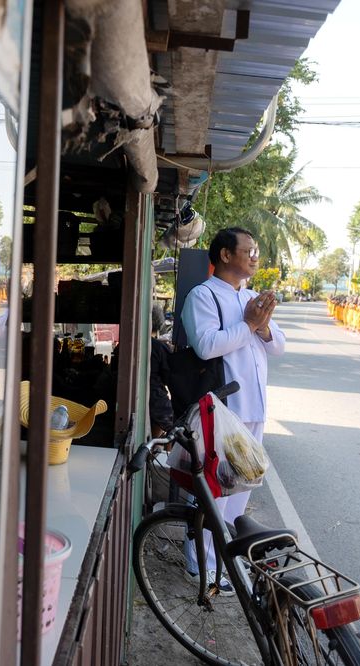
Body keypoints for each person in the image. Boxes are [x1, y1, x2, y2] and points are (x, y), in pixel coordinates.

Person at [180, 227, 286, 592]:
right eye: (249, 250)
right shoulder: (204, 295)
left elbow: (278, 347)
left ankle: (225, 559)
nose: (255, 256)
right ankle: (201, 566)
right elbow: (207, 345)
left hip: (253, 406)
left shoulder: (254, 297)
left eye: (256, 251)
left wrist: (264, 328)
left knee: (241, 489)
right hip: (223, 409)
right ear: (225, 255)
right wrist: (249, 324)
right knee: (214, 488)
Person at [148, 303, 174, 439]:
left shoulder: (123, 345)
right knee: (175, 427)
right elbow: (169, 379)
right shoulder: (160, 348)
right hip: (155, 399)